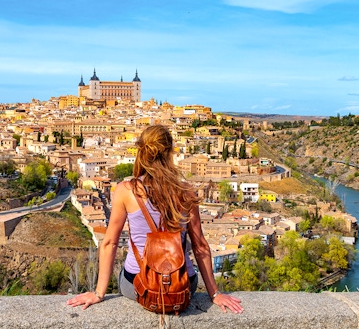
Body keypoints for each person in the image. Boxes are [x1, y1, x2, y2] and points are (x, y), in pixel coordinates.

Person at [67, 125, 243, 314]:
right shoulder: (186, 192)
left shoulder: (127, 190)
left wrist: (98, 293)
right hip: (182, 284)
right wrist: (215, 294)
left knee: (125, 273)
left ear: (141, 152)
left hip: (139, 284)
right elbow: (200, 246)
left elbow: (110, 243)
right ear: (170, 153)